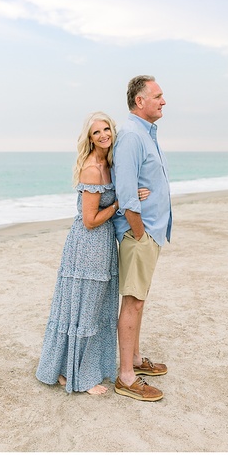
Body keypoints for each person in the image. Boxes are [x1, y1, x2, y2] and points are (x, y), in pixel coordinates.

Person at [36, 112, 149, 395]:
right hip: (88, 246)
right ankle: (74, 376)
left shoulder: (109, 165)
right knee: (84, 310)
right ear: (89, 138)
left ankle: (71, 368)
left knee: (94, 310)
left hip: (102, 245)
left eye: (107, 129)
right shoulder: (92, 170)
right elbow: (89, 220)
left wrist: (132, 194)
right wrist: (120, 203)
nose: (104, 135)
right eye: (96, 132)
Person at [112, 75, 172, 402]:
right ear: (140, 101)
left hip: (150, 232)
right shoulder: (132, 136)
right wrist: (139, 232)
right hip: (140, 235)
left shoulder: (146, 133)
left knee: (140, 298)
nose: (163, 101)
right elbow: (126, 191)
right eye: (158, 96)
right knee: (133, 301)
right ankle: (125, 376)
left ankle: (135, 360)